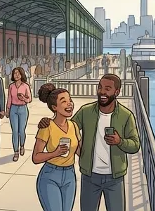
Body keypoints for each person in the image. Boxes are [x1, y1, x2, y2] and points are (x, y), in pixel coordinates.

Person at [39, 74, 141, 211]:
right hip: (90, 177)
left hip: (115, 178)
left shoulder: (126, 115)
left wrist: (120, 141)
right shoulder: (86, 111)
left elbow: (135, 145)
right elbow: (66, 127)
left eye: (107, 88)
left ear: (117, 92)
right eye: (100, 87)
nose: (102, 91)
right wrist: (48, 121)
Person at [32, 84, 81, 211]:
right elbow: (36, 157)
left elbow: (80, 151)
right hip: (50, 175)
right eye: (64, 101)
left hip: (70, 175)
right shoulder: (47, 126)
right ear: (54, 107)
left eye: (70, 100)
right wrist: (55, 153)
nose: (69, 104)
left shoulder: (74, 126)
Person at [5, 67, 32, 162]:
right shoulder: (11, 86)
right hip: (13, 109)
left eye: (18, 73)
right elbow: (9, 99)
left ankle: (22, 146)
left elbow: (29, 99)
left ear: (22, 74)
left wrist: (23, 98)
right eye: (15, 73)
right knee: (15, 131)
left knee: (21, 130)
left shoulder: (25, 86)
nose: (16, 75)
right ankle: (15, 151)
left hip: (23, 109)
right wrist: (7, 110)